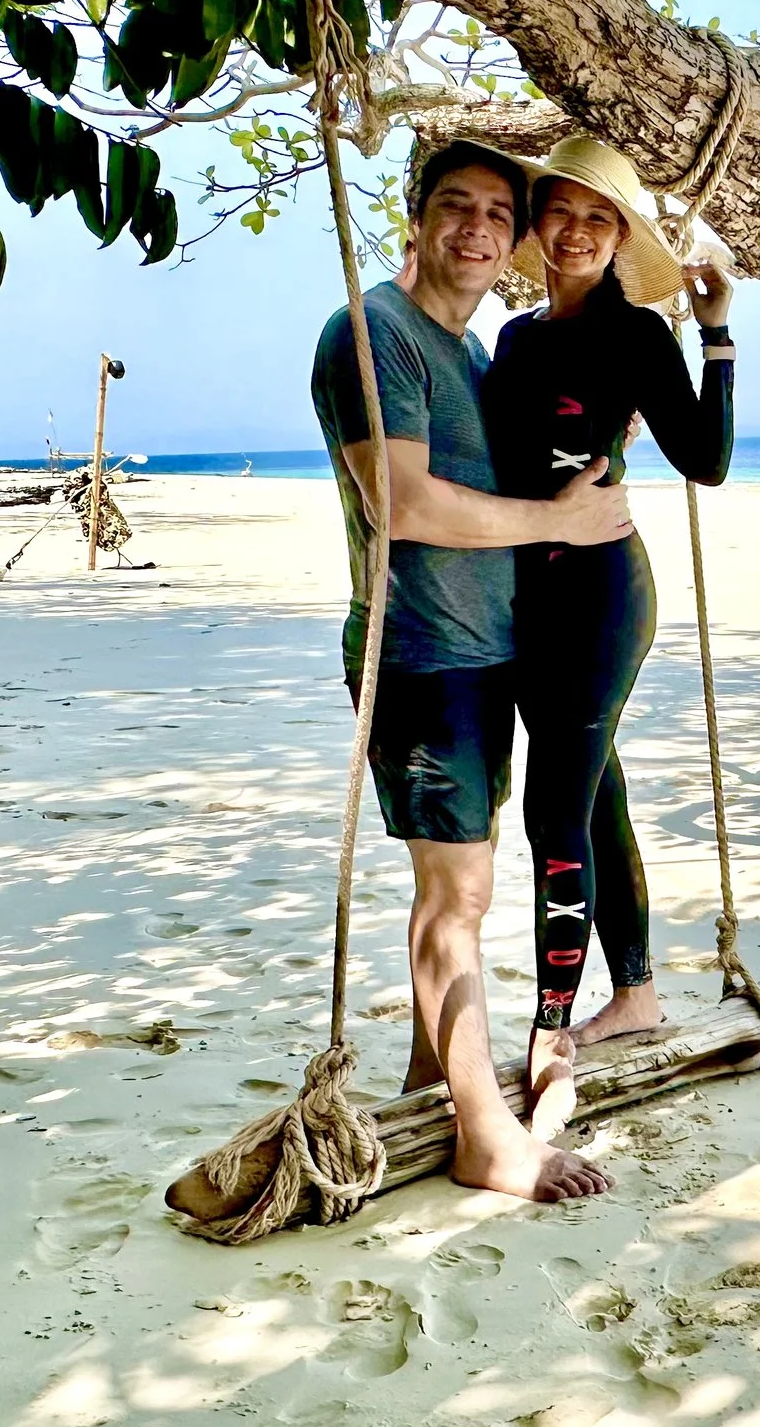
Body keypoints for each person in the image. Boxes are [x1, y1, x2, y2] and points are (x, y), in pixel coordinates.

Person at [309, 138, 634, 1204]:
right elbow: (397, 503)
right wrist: (559, 520)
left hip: (487, 655)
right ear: (417, 218)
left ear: (518, 241)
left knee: (460, 888)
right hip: (419, 656)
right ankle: (486, 1139)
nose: (478, 229)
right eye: (455, 206)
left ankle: (425, 1075)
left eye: (499, 214)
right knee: (456, 895)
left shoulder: (474, 358)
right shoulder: (373, 335)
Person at [480, 136, 737, 1068]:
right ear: (538, 223)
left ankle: (552, 1028)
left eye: (599, 217)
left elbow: (705, 461)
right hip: (526, 603)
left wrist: (715, 338)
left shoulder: (637, 336)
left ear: (619, 234)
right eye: (562, 211)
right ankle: (634, 996)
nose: (577, 230)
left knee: (553, 807)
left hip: (601, 598)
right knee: (595, 799)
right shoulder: (514, 339)